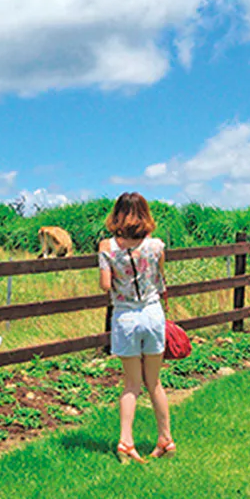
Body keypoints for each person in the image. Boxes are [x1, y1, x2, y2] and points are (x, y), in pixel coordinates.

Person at [98, 192, 173, 463]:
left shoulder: (107, 246)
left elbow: (105, 285)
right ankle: (165, 438)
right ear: (145, 214)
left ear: (117, 214)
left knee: (131, 384)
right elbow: (160, 279)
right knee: (154, 383)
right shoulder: (156, 246)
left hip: (126, 317)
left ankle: (126, 441)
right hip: (153, 315)